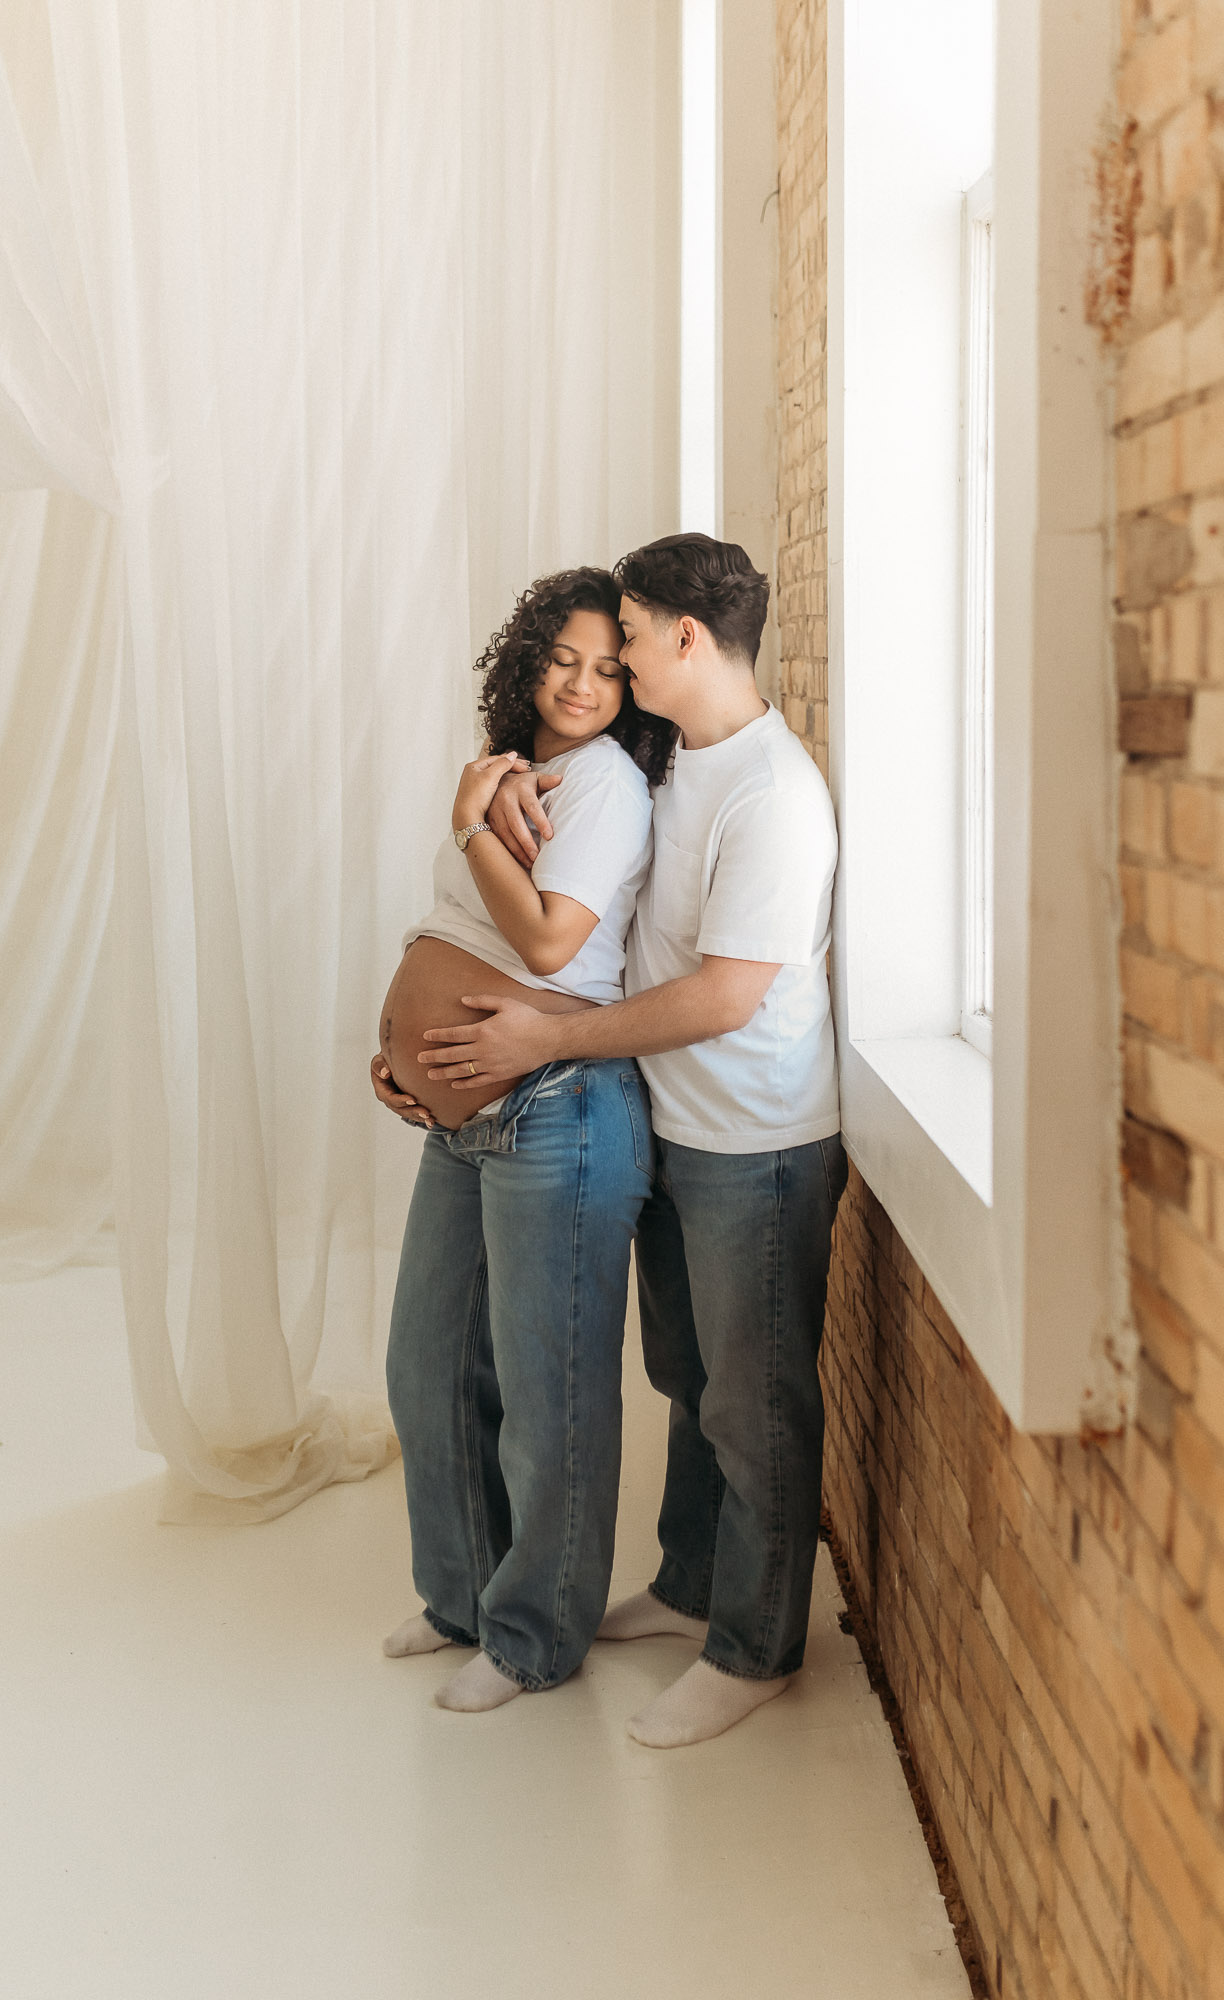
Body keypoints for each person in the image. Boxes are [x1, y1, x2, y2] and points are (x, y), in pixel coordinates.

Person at [418, 532, 846, 1747]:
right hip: (672, 1120)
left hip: (754, 1145)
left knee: (753, 1408)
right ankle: (688, 1581)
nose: (613, 657)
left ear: (684, 640)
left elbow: (723, 996)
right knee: (689, 1380)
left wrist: (548, 1039)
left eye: (630, 633)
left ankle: (751, 1647)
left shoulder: (774, 795)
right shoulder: (675, 762)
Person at [372, 566, 675, 1712]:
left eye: (609, 667)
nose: (584, 683)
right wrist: (401, 1050)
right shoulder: (517, 768)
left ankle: (535, 1635)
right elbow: (461, 923)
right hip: (463, 1117)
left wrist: (465, 819)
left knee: (549, 1394)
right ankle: (460, 1598)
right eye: (563, 657)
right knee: (429, 1364)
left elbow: (549, 946)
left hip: (559, 1113)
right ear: (526, 656)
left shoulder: (605, 787)